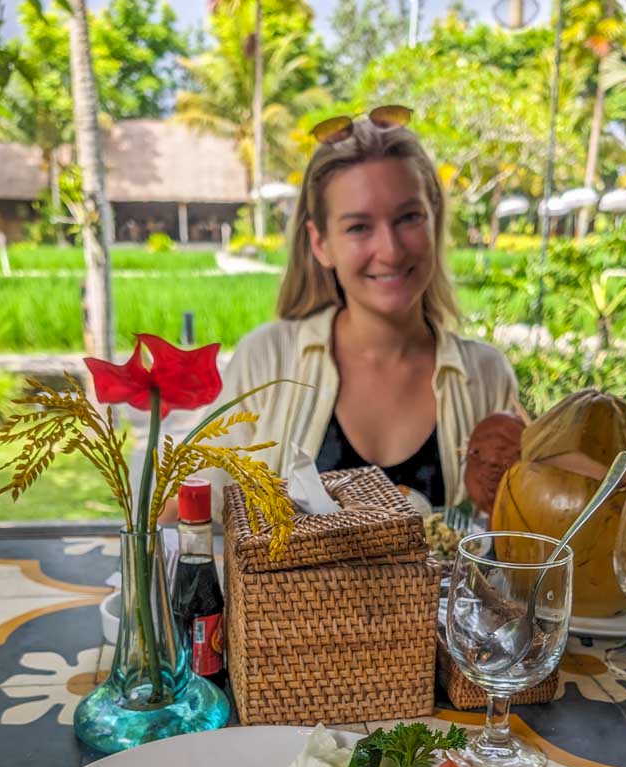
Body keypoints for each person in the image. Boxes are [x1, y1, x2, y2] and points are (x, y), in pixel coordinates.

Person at [193, 109, 526, 518]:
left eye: (408, 218)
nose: (390, 250)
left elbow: (515, 535)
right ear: (321, 243)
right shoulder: (269, 360)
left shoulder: (486, 376)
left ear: (434, 221)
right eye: (358, 227)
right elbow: (192, 516)